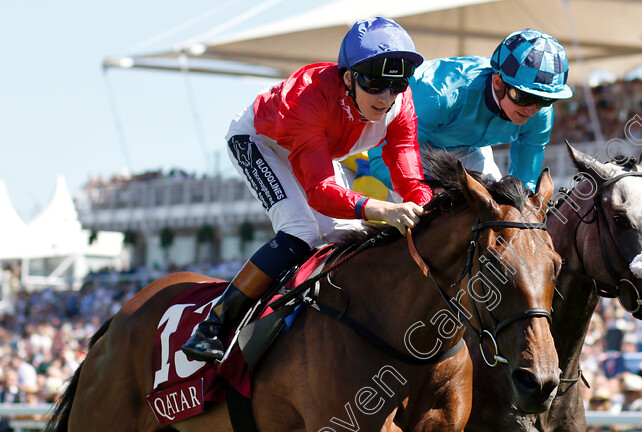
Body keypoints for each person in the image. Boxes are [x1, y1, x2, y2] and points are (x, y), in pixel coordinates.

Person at [181, 17, 433, 363]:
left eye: (397, 85)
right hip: (260, 142)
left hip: (316, 150)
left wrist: (424, 205)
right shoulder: (309, 97)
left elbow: (410, 179)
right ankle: (214, 326)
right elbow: (319, 191)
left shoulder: (401, 106)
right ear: (349, 78)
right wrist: (384, 209)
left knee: (347, 237)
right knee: (301, 231)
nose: (386, 97)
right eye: (375, 84)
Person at [367, 29, 572, 192]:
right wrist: (431, 188)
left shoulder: (541, 114)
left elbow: (525, 183)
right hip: (404, 143)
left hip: (467, 146)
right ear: (498, 82)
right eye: (524, 97)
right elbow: (383, 158)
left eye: (545, 100)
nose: (532, 110)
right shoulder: (439, 95)